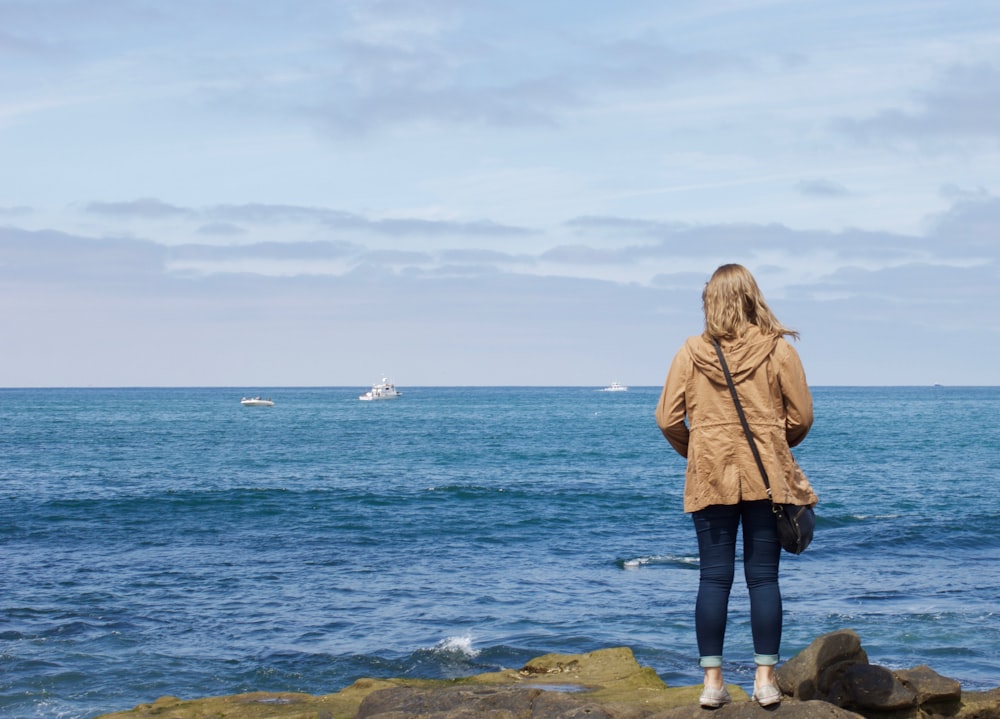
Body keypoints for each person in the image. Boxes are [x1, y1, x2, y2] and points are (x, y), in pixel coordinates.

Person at [655, 263, 817, 708]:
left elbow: (667, 419)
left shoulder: (690, 353)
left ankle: (712, 684)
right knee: (763, 579)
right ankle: (765, 681)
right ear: (751, 297)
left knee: (713, 578)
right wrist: (775, 444)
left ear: (711, 301)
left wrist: (700, 450)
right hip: (768, 475)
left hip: (710, 474)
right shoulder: (777, 351)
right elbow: (802, 417)